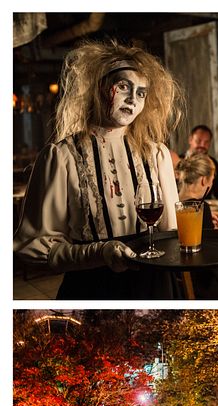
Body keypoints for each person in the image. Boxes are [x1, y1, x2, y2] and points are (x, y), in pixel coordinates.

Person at [13, 40, 183, 299]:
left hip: (154, 284)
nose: (132, 99)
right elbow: (33, 246)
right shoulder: (61, 157)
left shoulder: (157, 154)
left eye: (141, 92)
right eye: (124, 86)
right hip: (92, 287)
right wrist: (97, 254)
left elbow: (171, 234)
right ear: (99, 89)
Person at [181, 125, 218, 201]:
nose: (202, 145)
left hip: (206, 209)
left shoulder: (213, 163)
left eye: (206, 142)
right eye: (198, 141)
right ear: (190, 140)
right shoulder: (178, 161)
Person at [175, 153, 218, 229]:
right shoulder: (201, 208)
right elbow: (208, 240)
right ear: (204, 180)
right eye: (212, 180)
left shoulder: (172, 202)